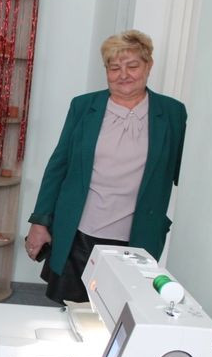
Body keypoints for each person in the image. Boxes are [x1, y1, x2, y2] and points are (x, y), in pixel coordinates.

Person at [25, 29, 187, 304]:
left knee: (122, 311)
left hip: (136, 238)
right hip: (79, 233)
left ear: (148, 65)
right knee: (71, 310)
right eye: (114, 68)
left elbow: (183, 171)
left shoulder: (172, 113)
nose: (123, 75)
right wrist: (40, 222)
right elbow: (58, 167)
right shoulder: (83, 106)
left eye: (132, 66)